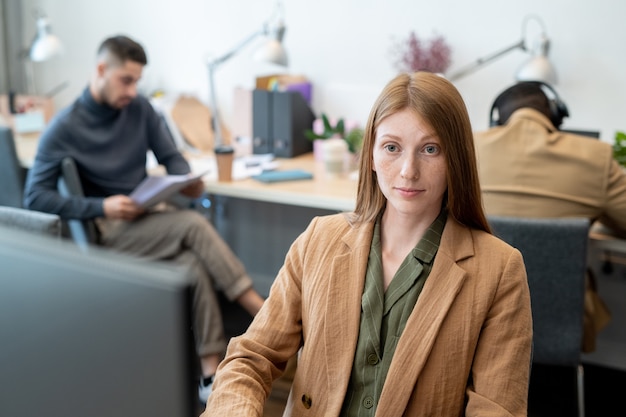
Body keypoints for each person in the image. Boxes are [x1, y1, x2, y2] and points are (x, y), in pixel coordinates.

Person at [202, 72, 533, 416]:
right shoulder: (319, 239)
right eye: (392, 147)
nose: (408, 171)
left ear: (456, 160)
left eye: (430, 149)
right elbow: (251, 357)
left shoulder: (499, 270)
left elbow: (496, 408)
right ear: (371, 156)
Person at [22, 35, 264, 403]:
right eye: (126, 80)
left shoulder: (141, 110)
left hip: (146, 219)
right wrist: (102, 207)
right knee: (193, 226)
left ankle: (210, 374)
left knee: (191, 265)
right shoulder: (64, 127)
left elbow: (173, 158)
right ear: (101, 70)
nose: (133, 91)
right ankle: (264, 316)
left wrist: (187, 182)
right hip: (107, 229)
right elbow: (34, 197)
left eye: (137, 81)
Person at [474, 81, 619, 352]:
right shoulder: (596, 157)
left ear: (497, 121)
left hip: (473, 314)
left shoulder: (466, 147)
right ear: (555, 113)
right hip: (558, 319)